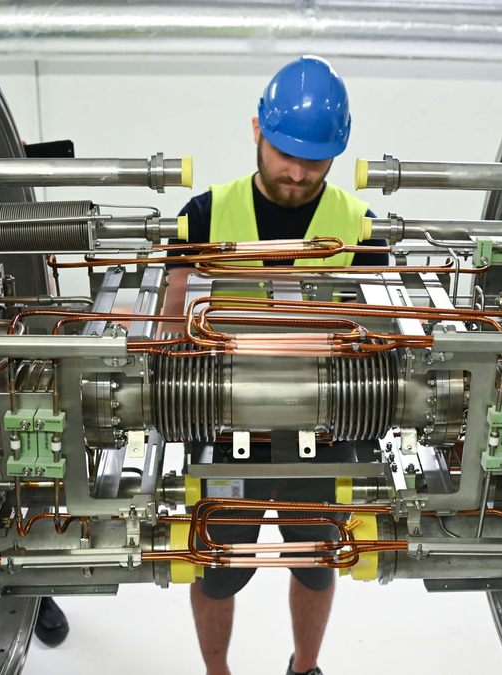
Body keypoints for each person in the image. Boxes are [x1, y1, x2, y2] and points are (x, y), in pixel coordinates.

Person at [169, 55, 387, 675]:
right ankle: (218, 672)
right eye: (286, 154)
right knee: (217, 573)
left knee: (317, 564)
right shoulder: (206, 214)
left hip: (320, 427)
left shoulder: (359, 227)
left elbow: (376, 335)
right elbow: (171, 323)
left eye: (314, 161)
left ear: (337, 154)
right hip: (225, 425)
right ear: (257, 132)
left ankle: (304, 668)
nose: (296, 173)